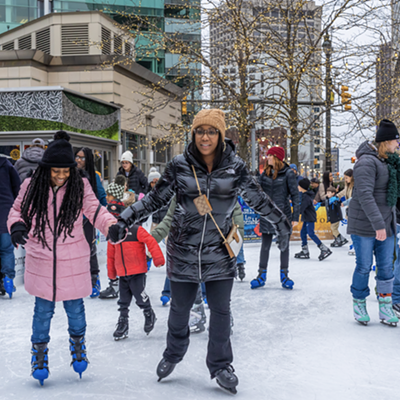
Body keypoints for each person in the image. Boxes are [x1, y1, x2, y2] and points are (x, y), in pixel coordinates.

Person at [108, 109, 291, 394]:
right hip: (184, 249)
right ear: (193, 134)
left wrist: (281, 223)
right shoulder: (179, 165)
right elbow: (156, 199)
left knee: (220, 311)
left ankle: (220, 365)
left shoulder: (235, 168)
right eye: (200, 131)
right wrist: (125, 220)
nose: (205, 137)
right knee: (180, 309)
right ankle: (173, 353)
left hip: (219, 251)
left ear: (220, 135)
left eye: (212, 131)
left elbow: (258, 199)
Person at [7, 131, 116, 386]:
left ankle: (78, 346)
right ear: (46, 168)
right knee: (42, 313)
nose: (60, 176)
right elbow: (17, 211)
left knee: (76, 310)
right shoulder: (31, 185)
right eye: (56, 171)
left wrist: (111, 226)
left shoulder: (81, 185)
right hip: (41, 259)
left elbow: (95, 210)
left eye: (65, 171)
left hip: (73, 260)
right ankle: (39, 353)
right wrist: (17, 226)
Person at [348, 119, 400, 326]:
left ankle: (385, 306)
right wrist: (378, 225)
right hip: (364, 225)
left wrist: (387, 224)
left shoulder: (390, 162)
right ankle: (359, 302)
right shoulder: (366, 162)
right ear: (386, 142)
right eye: (396, 140)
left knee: (387, 267)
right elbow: (365, 196)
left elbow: (392, 196)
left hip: (386, 223)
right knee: (364, 266)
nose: (398, 144)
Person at [105, 180, 165, 340]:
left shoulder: (136, 230)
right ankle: (123, 323)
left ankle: (148, 313)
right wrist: (111, 273)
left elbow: (151, 241)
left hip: (137, 271)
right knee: (123, 301)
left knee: (140, 297)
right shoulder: (114, 235)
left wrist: (158, 258)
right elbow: (110, 255)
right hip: (123, 273)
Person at [251, 146, 299, 290]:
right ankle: (261, 275)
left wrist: (295, 217)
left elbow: (296, 196)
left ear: (277, 157)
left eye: (270, 155)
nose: (268, 157)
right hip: (267, 215)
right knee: (265, 246)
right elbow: (257, 192)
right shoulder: (264, 174)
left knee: (284, 246)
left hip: (283, 215)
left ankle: (284, 276)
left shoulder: (288, 174)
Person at [75, 147, 107, 298]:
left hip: (87, 220)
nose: (78, 160)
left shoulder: (93, 176)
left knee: (89, 249)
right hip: (72, 220)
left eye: (82, 158)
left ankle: (94, 279)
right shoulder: (71, 175)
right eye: (77, 157)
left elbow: (101, 197)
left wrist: (97, 216)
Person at [295, 178, 332, 261]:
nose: (297, 186)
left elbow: (301, 209)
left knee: (311, 233)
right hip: (306, 217)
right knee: (303, 233)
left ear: (302, 187)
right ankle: (305, 251)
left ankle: (324, 249)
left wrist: (294, 215)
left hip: (310, 218)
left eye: (299, 185)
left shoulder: (306, 197)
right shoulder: (305, 195)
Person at [0, 156, 21, 298]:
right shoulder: (6, 164)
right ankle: (8, 278)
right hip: (6, 213)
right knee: (6, 250)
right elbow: (17, 187)